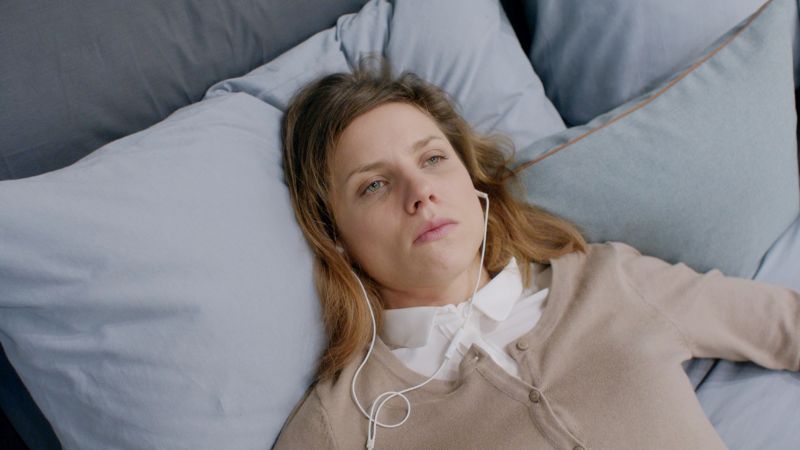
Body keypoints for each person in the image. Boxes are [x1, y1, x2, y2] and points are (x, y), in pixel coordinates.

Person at [274, 58, 800, 449]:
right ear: (334, 234)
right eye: (374, 185)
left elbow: (784, 325)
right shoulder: (341, 423)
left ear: (470, 179)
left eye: (433, 159)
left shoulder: (608, 280)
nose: (421, 193)